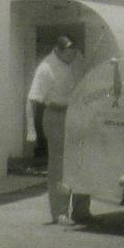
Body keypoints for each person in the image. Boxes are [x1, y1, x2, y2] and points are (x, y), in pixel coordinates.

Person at [26, 35, 92, 225]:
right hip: (56, 115)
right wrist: (31, 130)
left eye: (75, 52)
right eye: (69, 53)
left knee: (81, 160)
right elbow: (32, 100)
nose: (73, 56)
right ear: (58, 50)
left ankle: (81, 210)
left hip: (77, 114)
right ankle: (60, 213)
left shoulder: (77, 58)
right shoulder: (45, 68)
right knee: (60, 165)